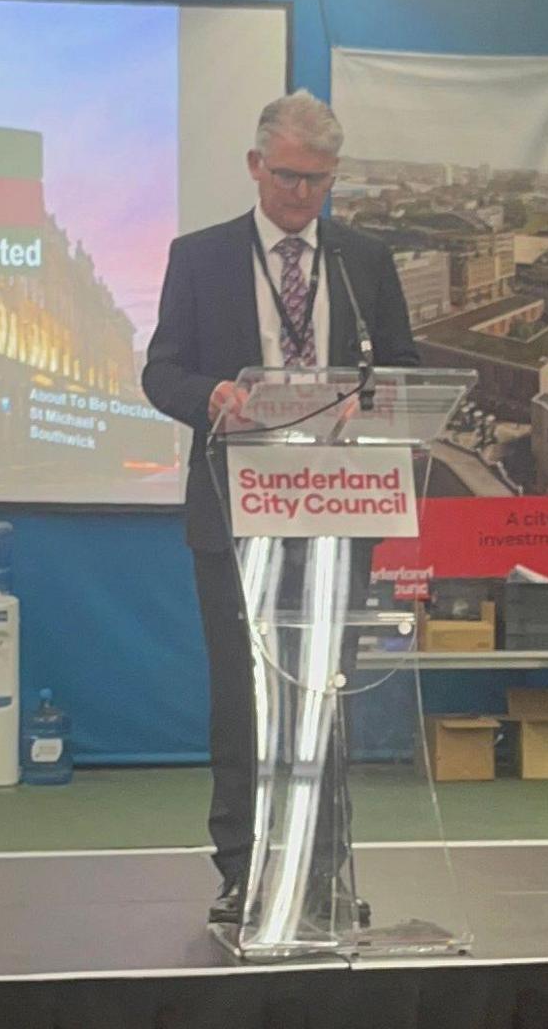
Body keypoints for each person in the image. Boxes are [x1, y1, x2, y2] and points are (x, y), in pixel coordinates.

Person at [142, 89, 420, 925]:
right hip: (235, 509)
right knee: (243, 696)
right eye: (291, 177)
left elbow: (402, 368)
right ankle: (244, 872)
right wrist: (215, 395)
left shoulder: (363, 259)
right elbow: (161, 372)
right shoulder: (201, 256)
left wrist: (368, 405)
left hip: (337, 506)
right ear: (256, 165)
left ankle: (326, 870)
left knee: (323, 694)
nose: (304, 196)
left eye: (321, 181)